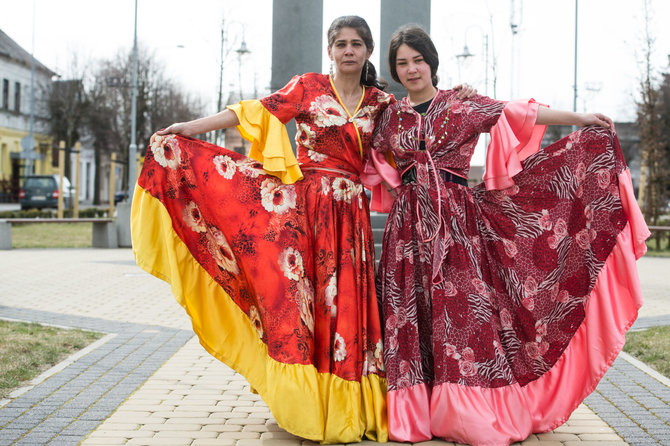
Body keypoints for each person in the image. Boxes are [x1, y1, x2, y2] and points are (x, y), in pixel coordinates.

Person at [131, 16, 473, 443]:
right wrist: (189, 127)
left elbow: (422, 114)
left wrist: (460, 93)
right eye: (341, 43)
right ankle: (302, 402)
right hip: (303, 211)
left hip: (350, 218)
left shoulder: (380, 103)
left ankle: (345, 405)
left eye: (357, 44)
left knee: (344, 305)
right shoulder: (307, 87)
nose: (349, 50)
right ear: (330, 50)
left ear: (367, 52)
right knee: (298, 304)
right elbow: (250, 113)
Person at [372, 25, 649, 446]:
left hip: (458, 226)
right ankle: (413, 411)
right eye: (402, 63)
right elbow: (366, 152)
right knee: (407, 317)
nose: (412, 69)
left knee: (465, 316)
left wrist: (580, 118)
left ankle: (465, 411)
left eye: (418, 59)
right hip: (406, 231)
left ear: (432, 62)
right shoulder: (390, 115)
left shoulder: (461, 104)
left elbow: (521, 112)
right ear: (394, 70)